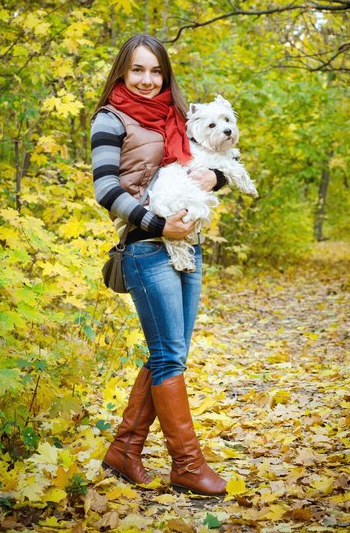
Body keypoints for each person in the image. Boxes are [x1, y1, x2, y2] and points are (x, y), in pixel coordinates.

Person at [91, 34, 227, 496]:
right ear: (123, 73)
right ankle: (187, 464)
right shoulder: (110, 120)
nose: (148, 80)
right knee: (170, 355)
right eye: (138, 71)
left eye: (156, 71)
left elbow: (209, 158)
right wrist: (156, 223)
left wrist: (220, 177)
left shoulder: (176, 115)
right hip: (147, 246)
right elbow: (106, 190)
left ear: (165, 74)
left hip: (187, 245)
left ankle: (125, 449)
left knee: (170, 353)